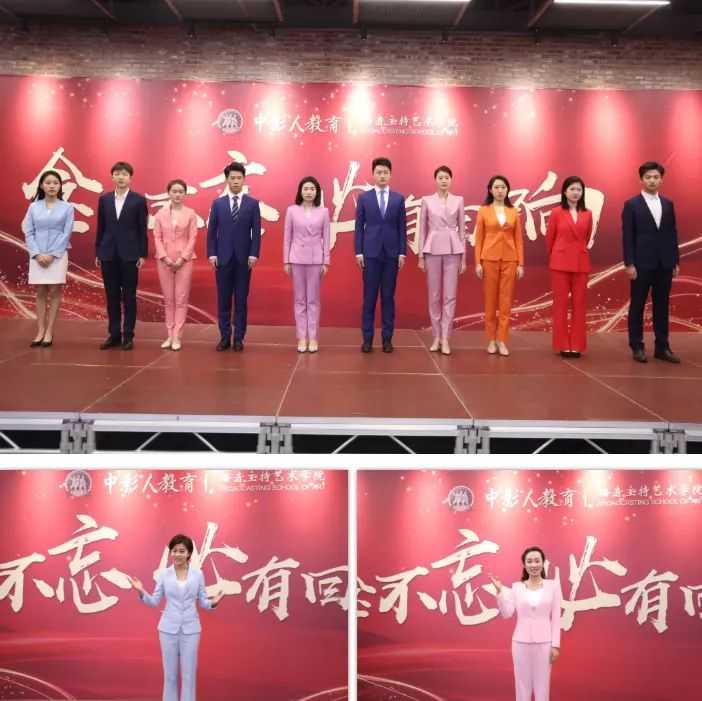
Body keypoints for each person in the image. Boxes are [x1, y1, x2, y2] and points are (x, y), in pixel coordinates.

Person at [128, 534, 224, 701]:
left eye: (181, 551)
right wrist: (141, 591)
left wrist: (213, 603)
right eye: (174, 551)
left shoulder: (198, 575)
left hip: (191, 630)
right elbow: (154, 601)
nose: (177, 554)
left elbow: (203, 602)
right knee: (170, 676)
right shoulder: (164, 574)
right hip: (167, 630)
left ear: (189, 553)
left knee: (189, 676)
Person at [623, 161, 680, 363]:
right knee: (637, 305)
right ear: (641, 180)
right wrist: (629, 263)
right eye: (648, 177)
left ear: (661, 179)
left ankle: (662, 347)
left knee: (662, 306)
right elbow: (627, 236)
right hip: (640, 264)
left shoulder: (668, 204)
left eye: (656, 177)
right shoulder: (631, 205)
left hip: (664, 264)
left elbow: (672, 234)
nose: (652, 180)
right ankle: (637, 346)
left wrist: (675, 261)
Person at [490, 547, 562, 701]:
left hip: (545, 643)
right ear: (524, 564)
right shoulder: (517, 587)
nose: (533, 564)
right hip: (520, 643)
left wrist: (556, 645)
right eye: (529, 561)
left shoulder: (553, 586)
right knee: (522, 686)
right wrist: (499, 592)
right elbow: (507, 613)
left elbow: (556, 617)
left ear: (543, 563)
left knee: (542, 686)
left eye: (537, 561)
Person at [207, 162, 261, 352]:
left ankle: (239, 338)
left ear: (244, 179)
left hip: (244, 260)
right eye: (233, 178)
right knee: (223, 299)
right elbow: (212, 232)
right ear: (227, 180)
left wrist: (254, 254)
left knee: (241, 300)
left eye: (239, 178)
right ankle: (224, 337)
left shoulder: (252, 204)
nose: (236, 181)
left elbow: (256, 232)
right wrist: (212, 253)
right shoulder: (218, 204)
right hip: (222, 259)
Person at [354, 157, 407, 353]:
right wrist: (359, 251)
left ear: (390, 175)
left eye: (385, 172)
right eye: (379, 172)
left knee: (388, 297)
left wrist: (402, 252)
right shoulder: (364, 198)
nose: (382, 175)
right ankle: (367, 339)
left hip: (392, 254)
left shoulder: (398, 199)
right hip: (370, 254)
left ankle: (387, 339)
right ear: (373, 174)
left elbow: (402, 228)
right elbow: (359, 227)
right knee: (369, 298)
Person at [95, 161, 148, 351]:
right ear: (112, 177)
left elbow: (142, 229)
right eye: (117, 173)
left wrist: (142, 254)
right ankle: (114, 334)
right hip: (108, 253)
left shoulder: (138, 200)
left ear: (130, 178)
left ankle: (128, 335)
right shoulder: (104, 200)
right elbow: (100, 227)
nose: (121, 177)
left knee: (129, 296)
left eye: (124, 174)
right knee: (111, 296)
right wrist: (98, 252)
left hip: (130, 254)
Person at [417, 165, 466, 355]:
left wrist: (463, 258)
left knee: (450, 296)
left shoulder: (458, 200)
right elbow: (422, 230)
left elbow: (462, 231)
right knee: (434, 296)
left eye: (447, 177)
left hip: (453, 249)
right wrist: (421, 255)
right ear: (435, 180)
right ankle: (436, 336)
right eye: (440, 177)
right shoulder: (426, 200)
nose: (444, 180)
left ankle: (446, 337)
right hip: (432, 249)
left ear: (451, 180)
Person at [473, 175, 524, 356]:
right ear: (490, 190)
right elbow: (479, 238)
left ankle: (502, 340)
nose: (500, 190)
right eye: (496, 187)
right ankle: (491, 340)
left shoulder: (513, 211)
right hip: (489, 259)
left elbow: (518, 239)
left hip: (510, 260)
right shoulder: (484, 211)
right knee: (490, 302)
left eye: (503, 187)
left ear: (507, 190)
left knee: (505, 302)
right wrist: (477, 263)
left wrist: (520, 263)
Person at [23, 170, 74, 347]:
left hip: (57, 256)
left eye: (55, 183)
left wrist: (52, 254)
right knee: (40, 292)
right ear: (41, 186)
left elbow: (66, 233)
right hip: (37, 255)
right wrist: (37, 254)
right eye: (48, 183)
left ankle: (49, 331)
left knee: (54, 291)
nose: (52, 186)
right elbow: (29, 232)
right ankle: (40, 330)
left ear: (60, 186)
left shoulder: (67, 207)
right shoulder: (33, 207)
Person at [545, 176, 593, 358]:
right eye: (572, 189)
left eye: (579, 189)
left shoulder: (588, 213)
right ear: (565, 192)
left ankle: (577, 345)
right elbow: (550, 239)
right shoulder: (556, 212)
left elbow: (586, 237)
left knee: (579, 304)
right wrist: (557, 255)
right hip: (560, 263)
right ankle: (562, 344)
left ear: (582, 193)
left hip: (581, 263)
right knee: (561, 305)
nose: (575, 192)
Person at [283, 176, 331, 353]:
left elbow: (326, 237)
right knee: (299, 300)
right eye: (306, 188)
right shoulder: (291, 211)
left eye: (312, 189)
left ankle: (313, 337)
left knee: (313, 300)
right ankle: (302, 337)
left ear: (317, 192)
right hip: (296, 259)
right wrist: (286, 260)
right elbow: (287, 237)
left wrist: (326, 261)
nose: (309, 192)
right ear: (300, 191)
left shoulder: (324, 211)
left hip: (315, 260)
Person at [153, 179, 198, 351]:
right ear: (169, 193)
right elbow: (157, 237)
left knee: (180, 299)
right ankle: (169, 335)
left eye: (180, 191)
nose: (177, 194)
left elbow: (193, 237)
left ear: (185, 193)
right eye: (174, 191)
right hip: (164, 260)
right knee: (168, 300)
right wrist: (164, 257)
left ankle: (177, 336)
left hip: (184, 261)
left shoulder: (191, 214)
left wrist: (183, 258)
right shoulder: (160, 214)